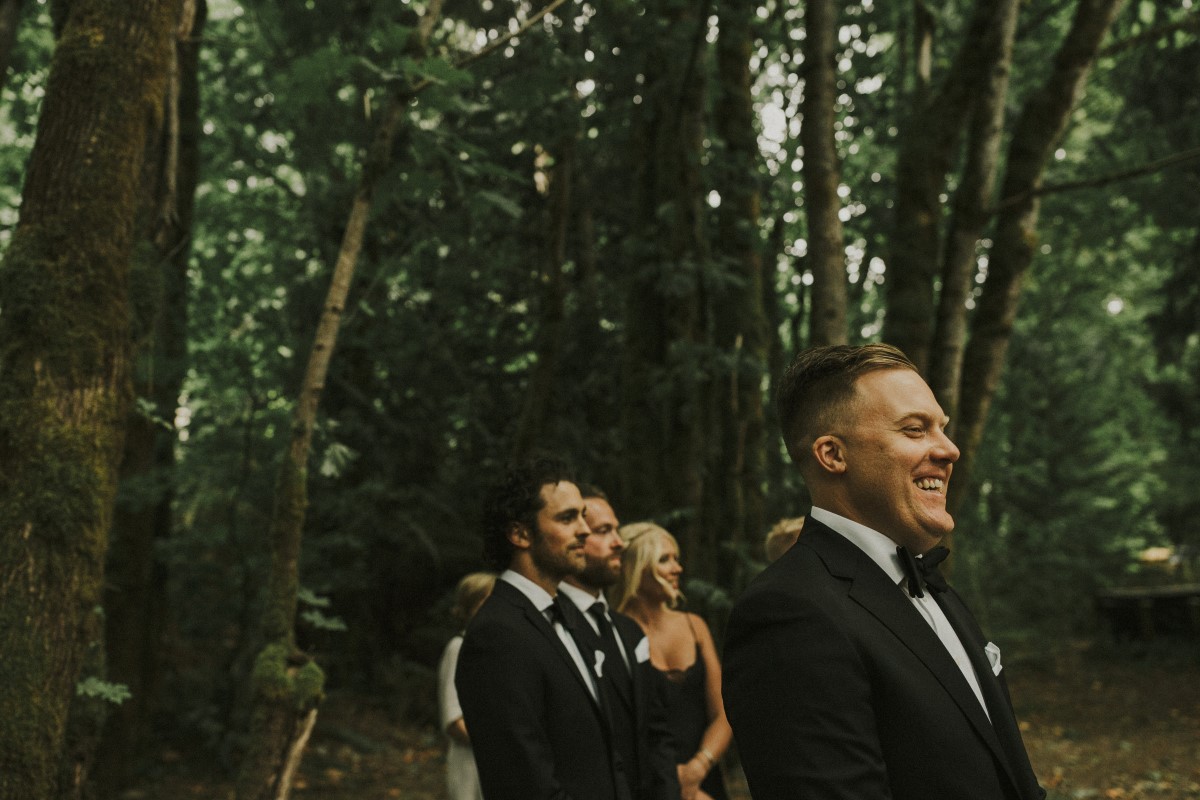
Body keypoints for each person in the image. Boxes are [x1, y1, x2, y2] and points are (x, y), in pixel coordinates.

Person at [722, 343, 1046, 800]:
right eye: (915, 430)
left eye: (942, 429)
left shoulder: (936, 588)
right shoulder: (789, 612)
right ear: (833, 454)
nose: (949, 449)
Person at [455, 456, 632, 800]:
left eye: (582, 515)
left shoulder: (568, 616)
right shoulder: (497, 634)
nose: (584, 529)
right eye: (567, 518)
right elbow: (524, 781)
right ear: (520, 534)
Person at [557, 486, 680, 800]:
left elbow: (655, 732)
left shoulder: (629, 631)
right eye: (603, 531)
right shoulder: (550, 627)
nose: (619, 542)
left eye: (616, 529)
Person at [616, 522, 732, 800]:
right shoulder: (613, 633)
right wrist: (669, 781)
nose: (677, 568)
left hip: (705, 777)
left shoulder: (695, 626)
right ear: (635, 567)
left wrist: (697, 768)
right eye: (664, 559)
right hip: (648, 785)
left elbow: (723, 714)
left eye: (676, 558)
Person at [437, 572, 496, 800]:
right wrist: (496, 746)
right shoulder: (458, 648)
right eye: (486, 601)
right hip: (469, 766)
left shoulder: (498, 653)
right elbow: (454, 721)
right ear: (469, 607)